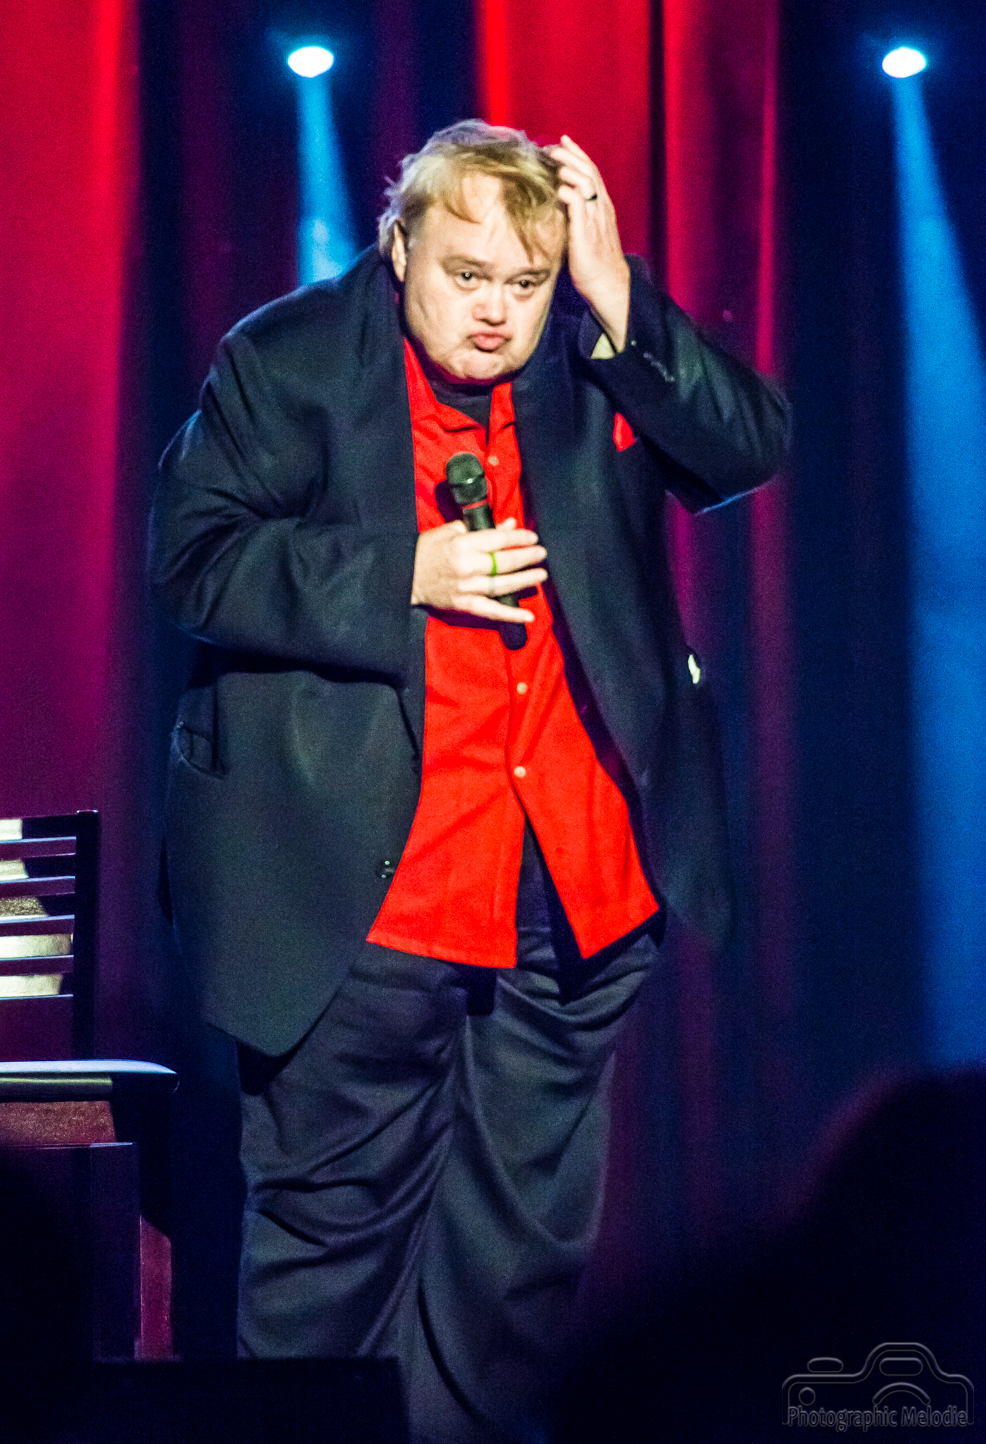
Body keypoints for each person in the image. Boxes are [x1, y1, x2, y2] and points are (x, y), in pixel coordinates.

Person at [150, 121, 789, 1444]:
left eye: (525, 281)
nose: (496, 311)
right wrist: (404, 572)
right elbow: (193, 561)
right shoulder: (287, 360)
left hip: (570, 891)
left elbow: (746, 449)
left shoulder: (593, 350)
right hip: (364, 895)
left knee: (514, 1280)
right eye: (466, 274)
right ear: (400, 251)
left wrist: (617, 297)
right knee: (328, 1265)